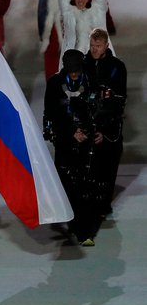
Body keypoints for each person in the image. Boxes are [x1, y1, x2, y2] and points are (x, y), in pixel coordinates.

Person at [43, 49, 107, 246]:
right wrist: (70, 132)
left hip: (86, 142)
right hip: (65, 140)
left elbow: (100, 110)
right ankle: (72, 220)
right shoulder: (54, 83)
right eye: (71, 70)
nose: (74, 74)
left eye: (76, 70)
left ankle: (84, 230)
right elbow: (51, 112)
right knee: (65, 183)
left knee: (85, 186)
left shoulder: (90, 83)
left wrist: (96, 131)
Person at [83, 28, 126, 216]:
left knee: (108, 166)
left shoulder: (117, 67)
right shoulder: (83, 64)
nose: (94, 49)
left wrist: (103, 129)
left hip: (109, 127)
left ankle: (104, 202)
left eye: (98, 46)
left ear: (106, 46)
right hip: (86, 124)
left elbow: (118, 101)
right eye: (92, 45)